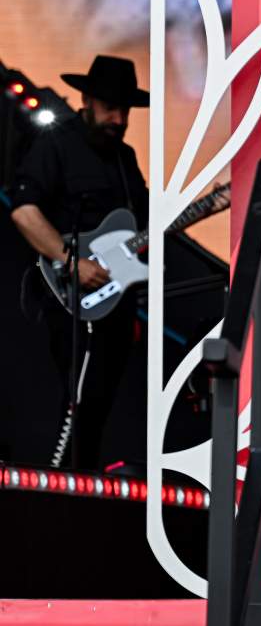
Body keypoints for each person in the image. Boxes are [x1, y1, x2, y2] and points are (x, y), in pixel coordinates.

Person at [10, 55, 150, 470]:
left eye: (124, 109)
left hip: (115, 304)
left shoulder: (125, 160)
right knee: (74, 395)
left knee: (100, 400)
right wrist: (71, 261)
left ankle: (83, 477)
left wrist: (133, 300)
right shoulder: (57, 144)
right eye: (110, 106)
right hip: (65, 297)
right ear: (86, 100)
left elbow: (140, 230)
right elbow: (23, 211)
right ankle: (59, 483)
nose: (118, 117)